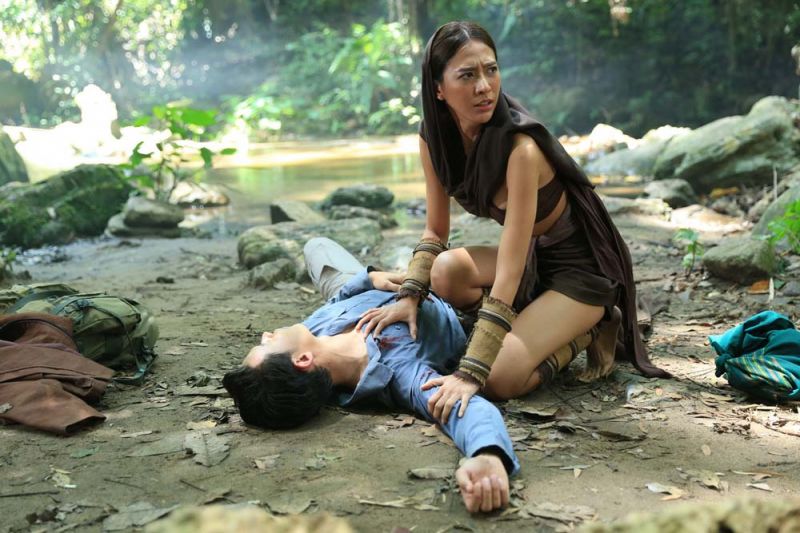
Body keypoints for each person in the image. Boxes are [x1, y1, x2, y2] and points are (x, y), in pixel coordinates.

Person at [357, 21, 669, 425]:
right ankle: (533, 322)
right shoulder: (433, 138)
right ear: (438, 89)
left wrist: (471, 372)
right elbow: (436, 230)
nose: (484, 87)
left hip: (580, 272)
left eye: (491, 70)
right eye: (467, 75)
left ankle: (593, 327)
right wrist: (409, 297)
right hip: (533, 261)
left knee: (499, 378)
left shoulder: (522, 149)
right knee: (445, 271)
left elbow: (510, 269)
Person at [223, 238, 596, 513]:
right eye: (265, 344)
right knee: (502, 375)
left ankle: (373, 273)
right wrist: (486, 454)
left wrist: (371, 279)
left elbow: (337, 302)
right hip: (447, 304)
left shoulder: (312, 330)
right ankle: (589, 320)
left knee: (316, 247)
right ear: (303, 360)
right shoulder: (400, 373)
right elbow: (464, 409)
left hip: (362, 292)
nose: (265, 334)